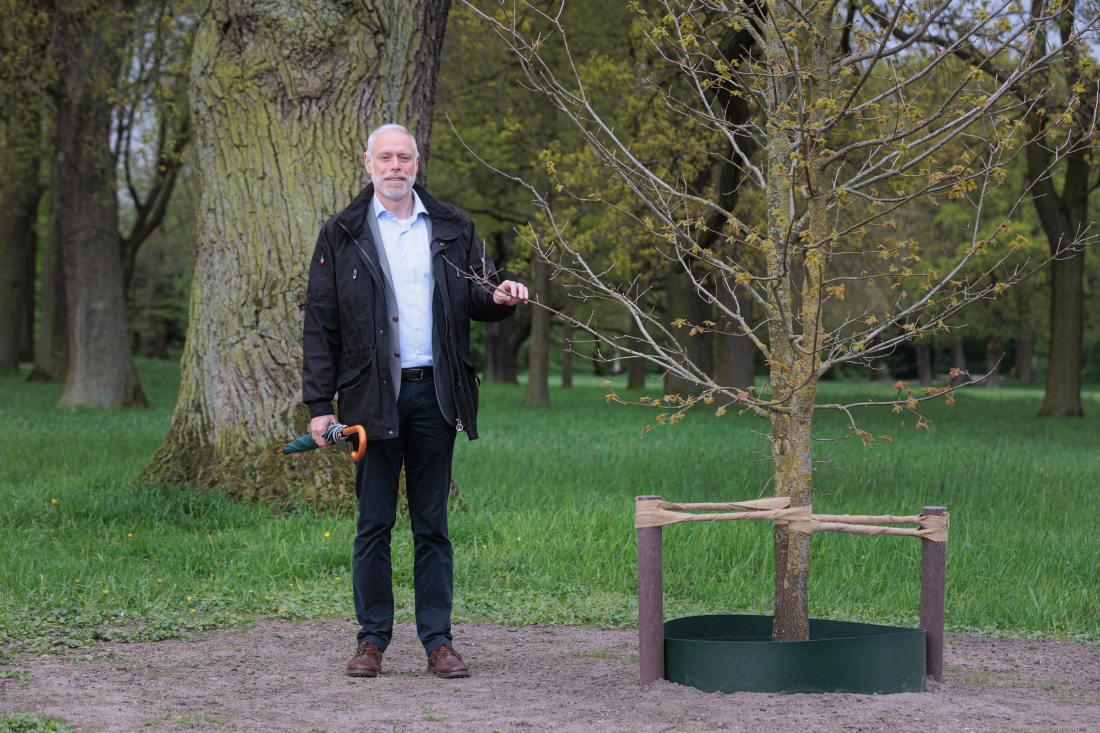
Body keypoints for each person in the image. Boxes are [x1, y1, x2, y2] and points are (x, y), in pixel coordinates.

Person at [302, 123, 527, 679]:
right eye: (386, 157)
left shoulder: (453, 226)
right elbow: (321, 324)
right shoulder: (341, 232)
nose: (396, 166)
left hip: (436, 393)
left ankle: (438, 642)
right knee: (373, 523)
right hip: (368, 398)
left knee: (432, 524)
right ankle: (371, 640)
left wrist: (499, 298)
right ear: (368, 163)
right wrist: (318, 405)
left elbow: (480, 292)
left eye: (404, 157)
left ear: (417, 162)